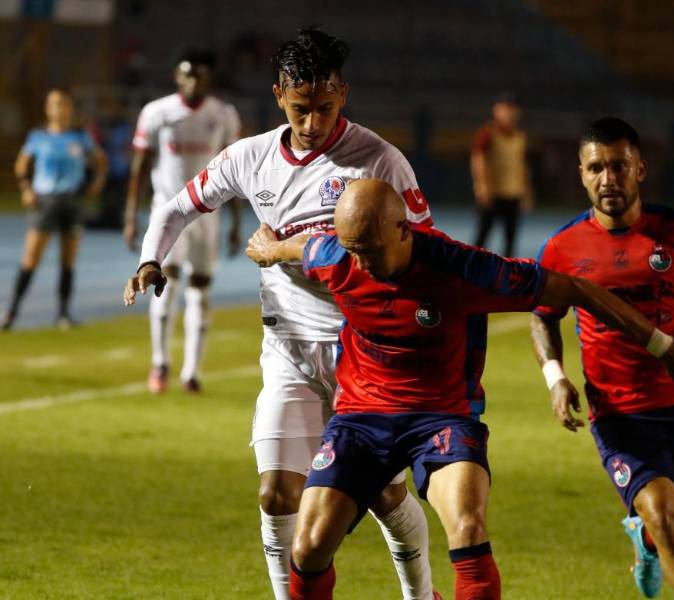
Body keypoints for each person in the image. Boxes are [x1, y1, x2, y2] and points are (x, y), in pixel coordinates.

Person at [239, 178, 674, 600]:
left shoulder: (464, 269)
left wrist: (664, 345)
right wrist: (267, 247)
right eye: (353, 250)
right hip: (362, 417)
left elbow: (577, 289)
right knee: (306, 548)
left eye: (370, 250)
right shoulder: (339, 255)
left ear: (403, 230)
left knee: (468, 530)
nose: (361, 264)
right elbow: (303, 248)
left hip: (443, 417)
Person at [123, 29, 438, 600]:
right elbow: (175, 208)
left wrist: (301, 251)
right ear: (278, 96)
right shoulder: (250, 157)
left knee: (387, 497)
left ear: (342, 94)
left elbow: (427, 246)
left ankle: (423, 596)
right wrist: (151, 260)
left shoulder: (380, 162)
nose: (313, 123)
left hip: (363, 357)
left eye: (324, 107)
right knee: (275, 495)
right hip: (288, 352)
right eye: (300, 109)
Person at [529, 117, 674, 600]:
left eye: (619, 166)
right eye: (596, 168)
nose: (608, 179)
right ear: (582, 174)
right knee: (666, 514)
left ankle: (643, 537)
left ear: (640, 168)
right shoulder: (562, 249)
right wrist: (555, 377)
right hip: (619, 412)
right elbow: (543, 317)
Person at [124, 48, 243, 393]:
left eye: (200, 75)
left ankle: (191, 370)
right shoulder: (157, 112)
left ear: (209, 78)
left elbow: (233, 173)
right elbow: (139, 166)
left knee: (201, 288)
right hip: (169, 210)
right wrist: (131, 216)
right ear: (177, 77)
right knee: (167, 281)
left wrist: (235, 223)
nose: (193, 82)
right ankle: (160, 362)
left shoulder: (224, 114)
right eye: (186, 75)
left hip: (209, 214)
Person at [3, 88, 108, 330]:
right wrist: (26, 190)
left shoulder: (80, 137)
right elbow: (21, 166)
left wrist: (97, 182)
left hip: (71, 201)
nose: (60, 109)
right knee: (30, 259)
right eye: (55, 104)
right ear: (48, 109)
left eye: (64, 104)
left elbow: (100, 161)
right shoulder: (38, 137)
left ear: (70, 108)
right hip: (45, 202)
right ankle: (11, 313)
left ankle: (63, 314)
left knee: (67, 261)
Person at [470, 92, 533, 257]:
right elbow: (478, 159)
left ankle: (508, 273)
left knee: (510, 239)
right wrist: (481, 185)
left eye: (512, 109)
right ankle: (470, 269)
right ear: (496, 110)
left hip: (513, 193)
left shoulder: (520, 136)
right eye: (505, 109)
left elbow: (522, 164)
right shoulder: (488, 133)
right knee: (482, 236)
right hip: (493, 193)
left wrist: (527, 190)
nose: (509, 113)